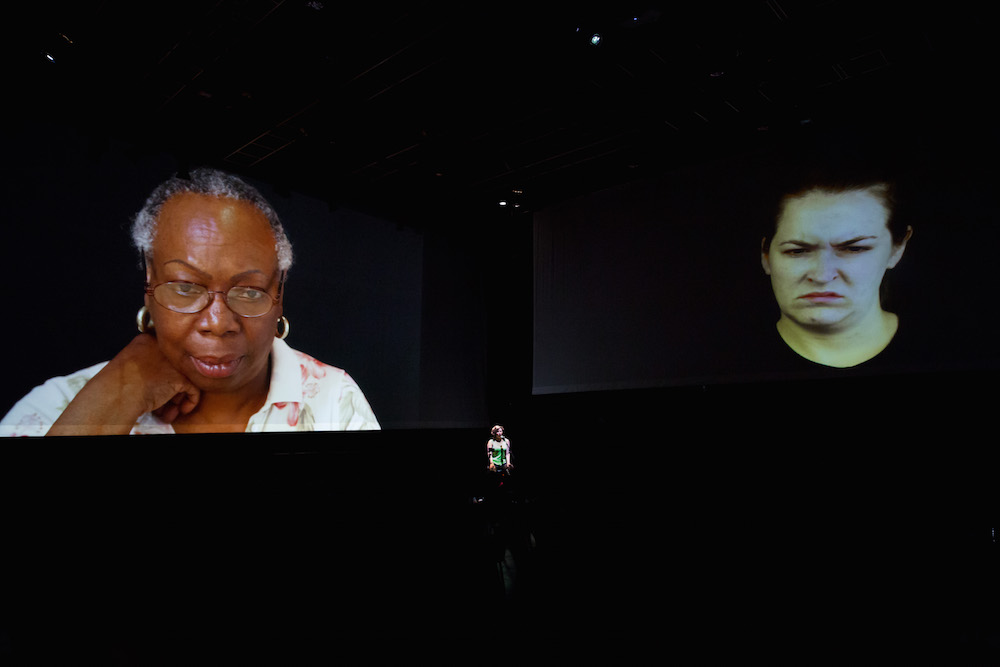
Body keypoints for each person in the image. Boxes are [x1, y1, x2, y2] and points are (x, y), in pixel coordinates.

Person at [1, 168, 379, 435]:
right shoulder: (56, 406)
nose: (218, 322)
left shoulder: (333, 399)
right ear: (150, 283)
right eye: (185, 287)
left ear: (279, 293)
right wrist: (118, 394)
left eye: (249, 291)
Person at [760, 180, 912, 368]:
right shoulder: (728, 358)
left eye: (854, 249)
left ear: (897, 250)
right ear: (766, 257)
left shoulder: (945, 350)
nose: (822, 276)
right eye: (797, 251)